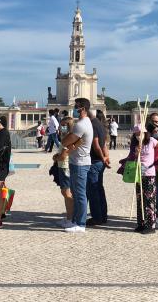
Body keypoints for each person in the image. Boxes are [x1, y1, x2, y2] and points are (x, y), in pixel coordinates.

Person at [59, 98, 93, 233]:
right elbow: (70, 142)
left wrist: (67, 141)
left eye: (76, 106)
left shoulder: (81, 125)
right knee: (76, 192)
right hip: (77, 161)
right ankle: (75, 220)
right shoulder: (86, 122)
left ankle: (80, 223)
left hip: (80, 163)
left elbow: (65, 141)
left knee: (79, 194)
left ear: (83, 108)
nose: (74, 108)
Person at [86, 108, 110, 227]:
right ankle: (103, 215)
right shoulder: (101, 125)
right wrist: (106, 157)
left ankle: (96, 217)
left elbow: (96, 144)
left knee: (93, 190)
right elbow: (104, 144)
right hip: (100, 162)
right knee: (99, 189)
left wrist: (102, 157)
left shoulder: (92, 125)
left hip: (95, 161)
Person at [52, 117, 75, 226]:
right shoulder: (66, 136)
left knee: (67, 192)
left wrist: (57, 157)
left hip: (66, 166)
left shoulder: (71, 136)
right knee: (64, 192)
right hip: (63, 166)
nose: (61, 127)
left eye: (63, 125)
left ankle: (71, 218)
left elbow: (65, 154)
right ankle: (68, 217)